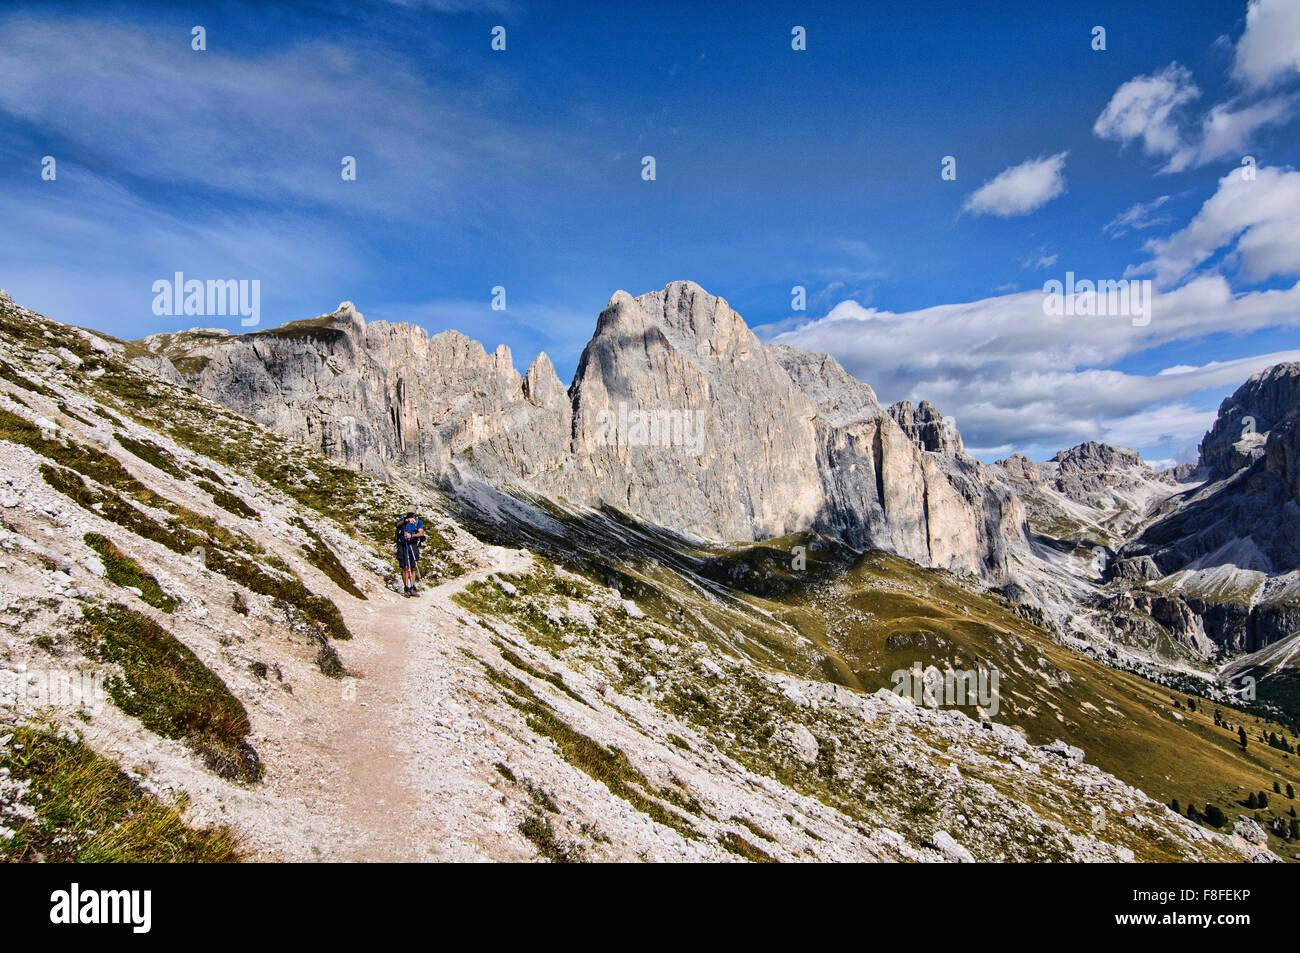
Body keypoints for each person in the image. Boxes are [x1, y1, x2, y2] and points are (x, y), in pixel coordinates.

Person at [395, 512, 426, 597]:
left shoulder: (418, 521)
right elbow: (397, 525)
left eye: (412, 513)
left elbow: (420, 533)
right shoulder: (403, 519)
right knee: (405, 566)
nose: (411, 515)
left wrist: (411, 535)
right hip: (403, 545)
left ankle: (413, 587)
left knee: (413, 567)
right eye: (410, 513)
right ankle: (406, 587)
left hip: (413, 544)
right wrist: (405, 521)